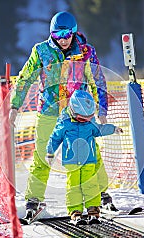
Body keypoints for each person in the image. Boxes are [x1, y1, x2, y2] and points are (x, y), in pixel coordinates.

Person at [9, 11, 117, 220]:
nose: (64, 39)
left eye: (68, 34)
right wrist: (14, 106)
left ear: (74, 32)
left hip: (80, 113)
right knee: (42, 155)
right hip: (49, 111)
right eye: (59, 35)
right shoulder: (41, 51)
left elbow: (99, 80)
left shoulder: (86, 52)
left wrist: (102, 110)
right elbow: (25, 79)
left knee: (90, 155)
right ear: (52, 35)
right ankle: (34, 199)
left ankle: (102, 193)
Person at [45, 90, 123, 222]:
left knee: (90, 185)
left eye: (88, 118)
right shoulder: (65, 122)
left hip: (89, 159)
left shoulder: (89, 123)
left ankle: (93, 208)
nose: (85, 121)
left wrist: (113, 128)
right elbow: (55, 138)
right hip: (72, 161)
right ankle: (75, 210)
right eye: (82, 119)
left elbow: (99, 129)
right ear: (73, 111)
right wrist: (50, 153)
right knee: (74, 186)